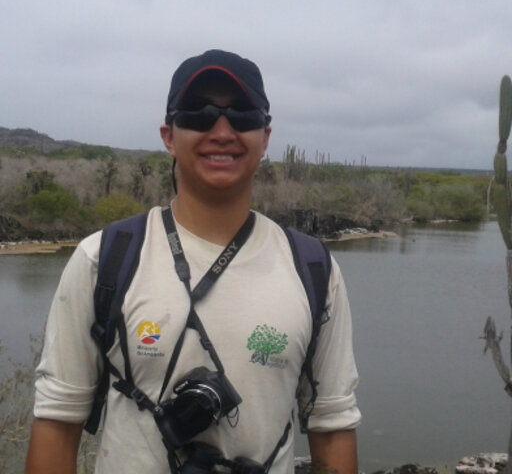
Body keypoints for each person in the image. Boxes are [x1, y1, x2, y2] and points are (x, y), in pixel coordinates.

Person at [25, 49, 361, 474]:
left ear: (266, 137)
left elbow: (332, 423)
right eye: (198, 114)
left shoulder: (313, 270)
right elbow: (58, 419)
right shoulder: (103, 259)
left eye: (243, 114)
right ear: (168, 135)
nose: (222, 130)